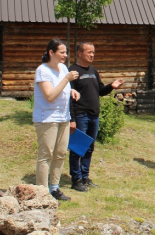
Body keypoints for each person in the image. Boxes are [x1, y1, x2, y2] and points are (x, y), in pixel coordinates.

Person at [69, 42, 124, 192]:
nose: (92, 55)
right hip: (80, 115)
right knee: (77, 148)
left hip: (94, 115)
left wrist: (111, 86)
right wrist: (72, 119)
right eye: (89, 52)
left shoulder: (93, 71)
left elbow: (100, 90)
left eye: (93, 52)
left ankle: (85, 176)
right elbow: (68, 96)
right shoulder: (72, 71)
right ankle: (76, 179)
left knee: (89, 147)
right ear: (79, 53)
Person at [33, 39, 80, 201]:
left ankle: (54, 188)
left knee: (60, 154)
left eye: (66, 52)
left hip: (63, 117)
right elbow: (50, 96)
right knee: (46, 155)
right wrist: (67, 79)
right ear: (51, 52)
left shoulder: (63, 68)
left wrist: (72, 90)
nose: (65, 55)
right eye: (61, 52)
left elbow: (61, 88)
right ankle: (42, 192)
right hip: (47, 118)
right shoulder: (42, 70)